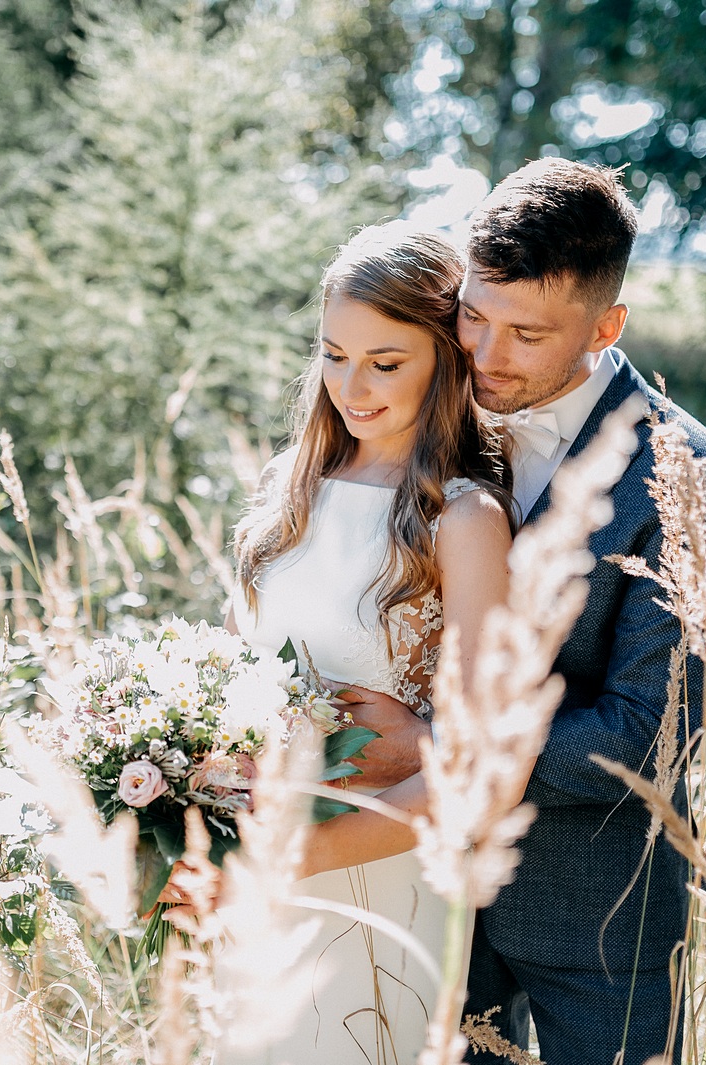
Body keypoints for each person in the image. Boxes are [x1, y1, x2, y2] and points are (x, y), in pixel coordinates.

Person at [334, 159, 706, 1064]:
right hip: (421, 890)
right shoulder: (442, 412)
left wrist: (438, 744)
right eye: (474, 316)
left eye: (525, 334)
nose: (484, 355)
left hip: (594, 920)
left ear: (607, 327)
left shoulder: (692, 477)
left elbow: (648, 734)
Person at [220, 222, 517, 1065]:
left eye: (387, 362)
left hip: (379, 873)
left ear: (445, 359)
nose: (354, 384)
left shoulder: (462, 518)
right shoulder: (291, 491)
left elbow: (474, 770)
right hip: (256, 863)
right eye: (335, 354)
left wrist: (301, 856)